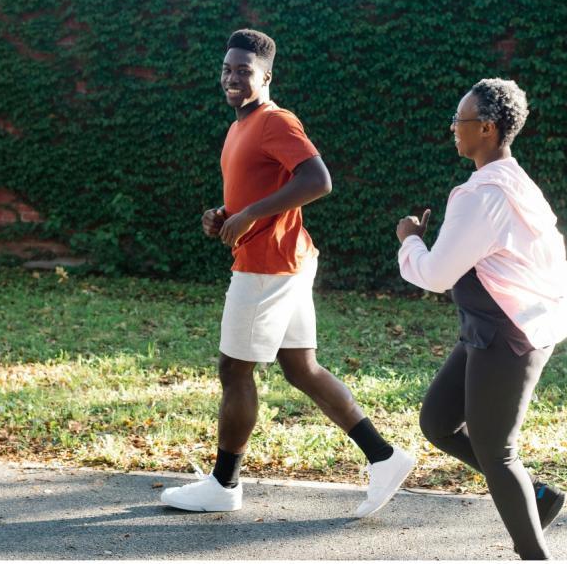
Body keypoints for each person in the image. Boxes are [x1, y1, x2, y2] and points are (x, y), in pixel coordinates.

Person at [160, 29, 414, 517]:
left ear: (267, 76)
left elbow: (318, 180)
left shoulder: (275, 121)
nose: (233, 78)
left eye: (244, 71)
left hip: (267, 266)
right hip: (288, 260)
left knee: (234, 371)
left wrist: (251, 214)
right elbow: (256, 192)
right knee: (301, 368)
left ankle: (223, 484)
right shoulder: (240, 127)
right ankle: (384, 457)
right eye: (227, 69)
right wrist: (223, 214)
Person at [395, 78, 567, 560]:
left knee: (497, 452)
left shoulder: (482, 195)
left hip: (509, 334)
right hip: (495, 326)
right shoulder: (513, 180)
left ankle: (534, 554)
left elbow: (434, 274)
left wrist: (409, 238)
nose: (454, 127)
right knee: (437, 421)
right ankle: (537, 495)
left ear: (489, 129)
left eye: (462, 120)